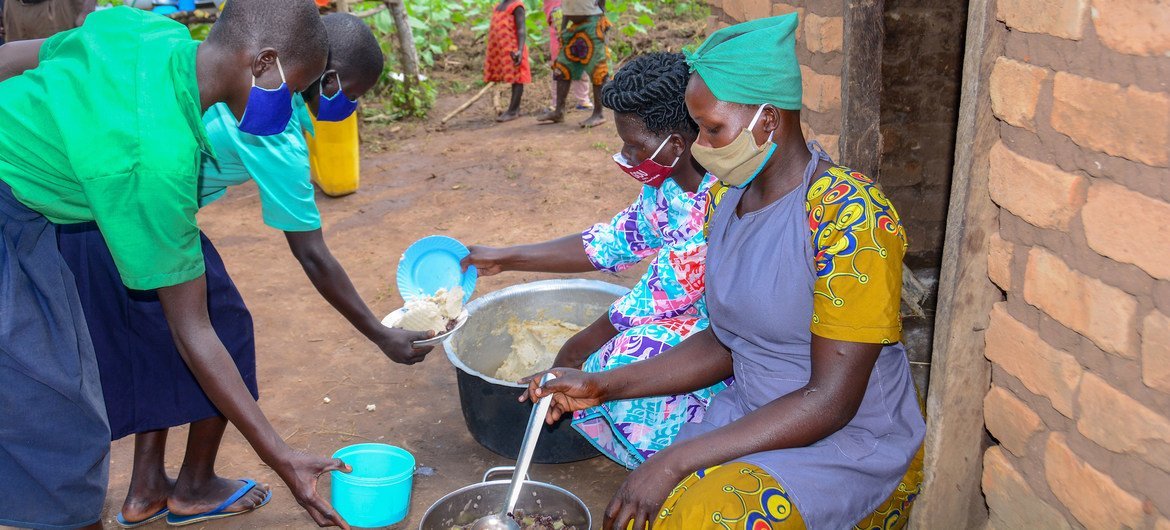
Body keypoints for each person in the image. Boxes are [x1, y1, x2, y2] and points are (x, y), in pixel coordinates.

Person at [521, 15, 926, 530]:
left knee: (702, 513)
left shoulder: (850, 218)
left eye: (712, 130)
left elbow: (831, 400)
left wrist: (674, 459)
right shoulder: (726, 200)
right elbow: (726, 342)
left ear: (768, 119)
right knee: (648, 514)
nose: (700, 147)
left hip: (846, 443)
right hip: (753, 414)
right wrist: (603, 385)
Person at [51, 13, 426, 527]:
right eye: (353, 93)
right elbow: (313, 254)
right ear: (325, 77)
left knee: (159, 337)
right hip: (132, 210)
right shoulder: (276, 136)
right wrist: (382, 335)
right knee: (218, 334)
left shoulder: (222, 74)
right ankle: (196, 485)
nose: (352, 107)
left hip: (92, 213)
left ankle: (145, 487)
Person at [463, 52, 724, 470]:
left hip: (728, 344)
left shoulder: (715, 204)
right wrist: (504, 257)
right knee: (606, 357)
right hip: (686, 319)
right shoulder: (669, 187)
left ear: (676, 144)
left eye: (634, 145)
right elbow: (612, 242)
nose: (626, 155)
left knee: (619, 357)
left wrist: (570, 354)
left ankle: (678, 462)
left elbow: (652, 300)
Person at [535, 0, 607, 127]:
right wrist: (563, 28)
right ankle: (559, 111)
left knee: (597, 69)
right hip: (571, 24)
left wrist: (602, 17)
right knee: (563, 67)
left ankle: (598, 114)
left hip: (592, 23)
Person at [541, 0, 592, 111]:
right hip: (557, 25)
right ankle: (556, 104)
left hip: (574, 21)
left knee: (579, 62)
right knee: (559, 66)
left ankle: (583, 100)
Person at [484, 0, 530, 122]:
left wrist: (519, 50)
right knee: (513, 77)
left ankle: (513, 110)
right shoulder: (498, 6)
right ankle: (514, 109)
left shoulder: (517, 6)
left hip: (514, 49)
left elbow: (521, 29)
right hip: (501, 49)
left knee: (517, 77)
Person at [1, 0, 93, 41]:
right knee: (16, 70)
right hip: (13, 7)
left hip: (56, 8)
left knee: (57, 60)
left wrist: (86, 11)